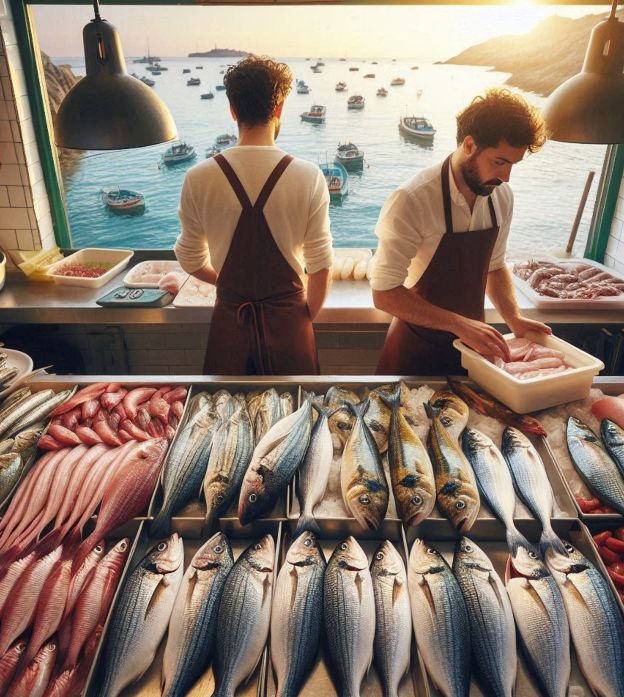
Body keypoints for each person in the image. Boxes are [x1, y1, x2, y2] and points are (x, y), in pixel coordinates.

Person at [371, 88, 552, 376]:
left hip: (475, 353)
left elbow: (494, 266)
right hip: (415, 353)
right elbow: (384, 293)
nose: (505, 177)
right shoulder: (412, 199)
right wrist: (459, 324)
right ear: (469, 145)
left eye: (513, 165)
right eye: (499, 162)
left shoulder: (501, 197)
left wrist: (513, 317)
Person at [175, 56, 333, 375]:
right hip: (290, 328)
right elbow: (320, 267)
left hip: (230, 325)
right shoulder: (308, 176)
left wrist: (231, 284)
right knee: (295, 420)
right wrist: (299, 317)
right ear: (279, 109)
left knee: (228, 419)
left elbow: (190, 258)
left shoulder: (199, 176)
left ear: (233, 111)